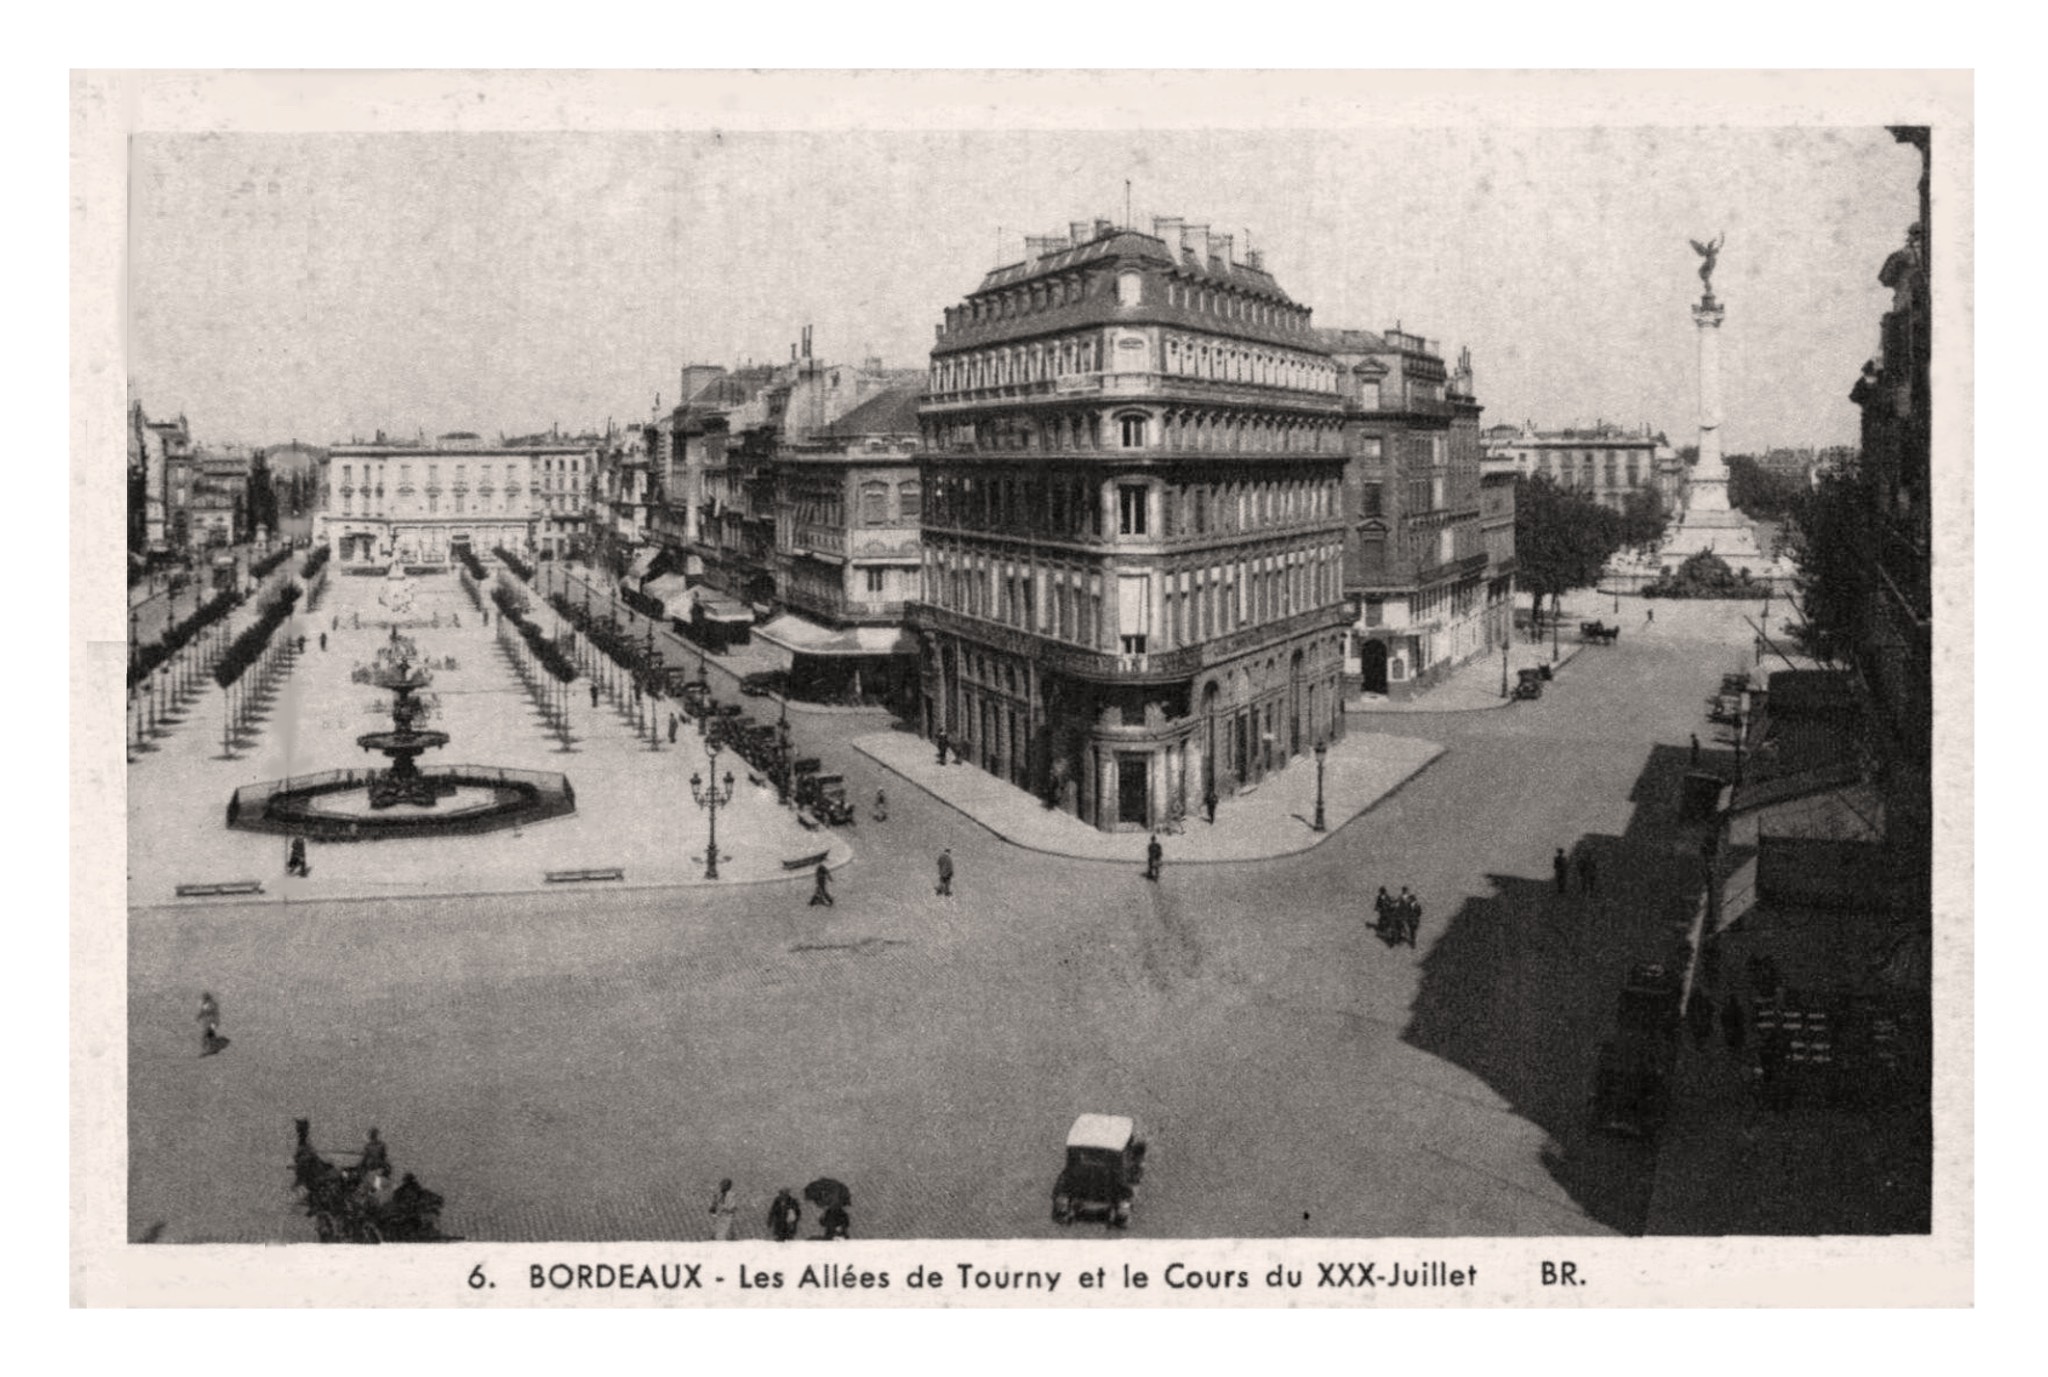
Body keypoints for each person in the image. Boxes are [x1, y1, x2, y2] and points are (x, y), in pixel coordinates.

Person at [197, 991, 221, 1055]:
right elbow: (202, 1012)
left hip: (210, 1023)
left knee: (204, 1036)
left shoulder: (213, 1005)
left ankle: (204, 1050)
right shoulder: (204, 1005)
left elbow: (215, 1014)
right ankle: (214, 1048)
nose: (203, 999)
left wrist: (214, 1023)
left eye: (204, 998)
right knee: (211, 1036)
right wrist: (198, 1016)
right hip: (206, 1023)